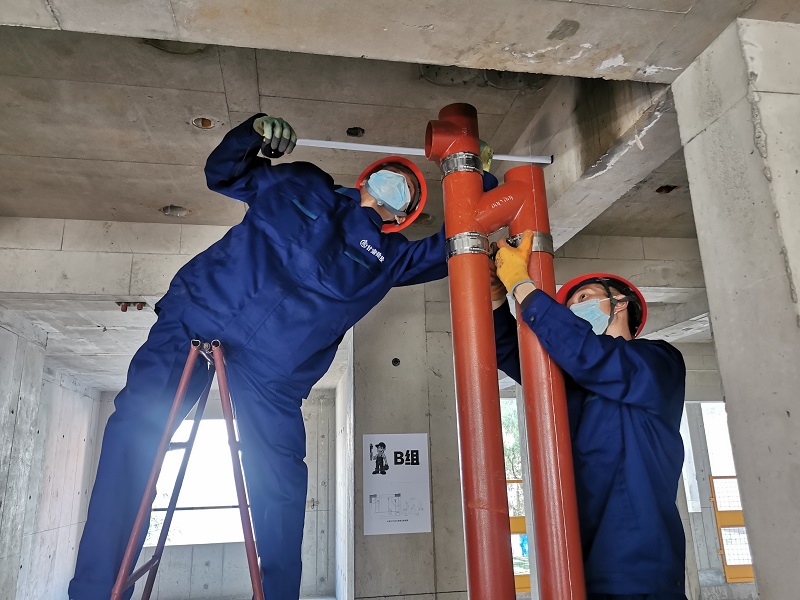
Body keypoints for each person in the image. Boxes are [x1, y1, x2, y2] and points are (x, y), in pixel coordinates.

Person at [69, 113, 451, 600]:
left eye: (409, 191)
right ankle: (96, 590)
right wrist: (252, 133)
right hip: (198, 312)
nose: (399, 184)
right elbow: (223, 173)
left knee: (280, 483)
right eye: (394, 174)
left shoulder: (392, 257)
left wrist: (474, 178)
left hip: (272, 372)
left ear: (403, 217)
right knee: (133, 435)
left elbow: (456, 246)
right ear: (366, 177)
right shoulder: (303, 182)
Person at [491, 231, 688, 600]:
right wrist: (496, 296)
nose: (574, 309)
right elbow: (511, 352)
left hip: (639, 569)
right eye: (569, 307)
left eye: (583, 298)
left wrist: (522, 285)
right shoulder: (573, 382)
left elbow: (590, 355)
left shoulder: (659, 361)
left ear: (620, 303)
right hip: (577, 564)